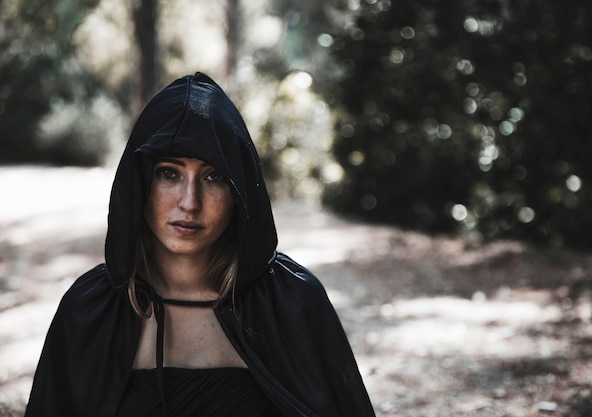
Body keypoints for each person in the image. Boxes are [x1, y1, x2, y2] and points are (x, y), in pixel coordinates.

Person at [24, 72, 376, 416]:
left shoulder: (293, 304)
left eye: (214, 176)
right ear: (140, 182)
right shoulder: (90, 311)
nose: (190, 202)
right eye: (169, 173)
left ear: (239, 190)